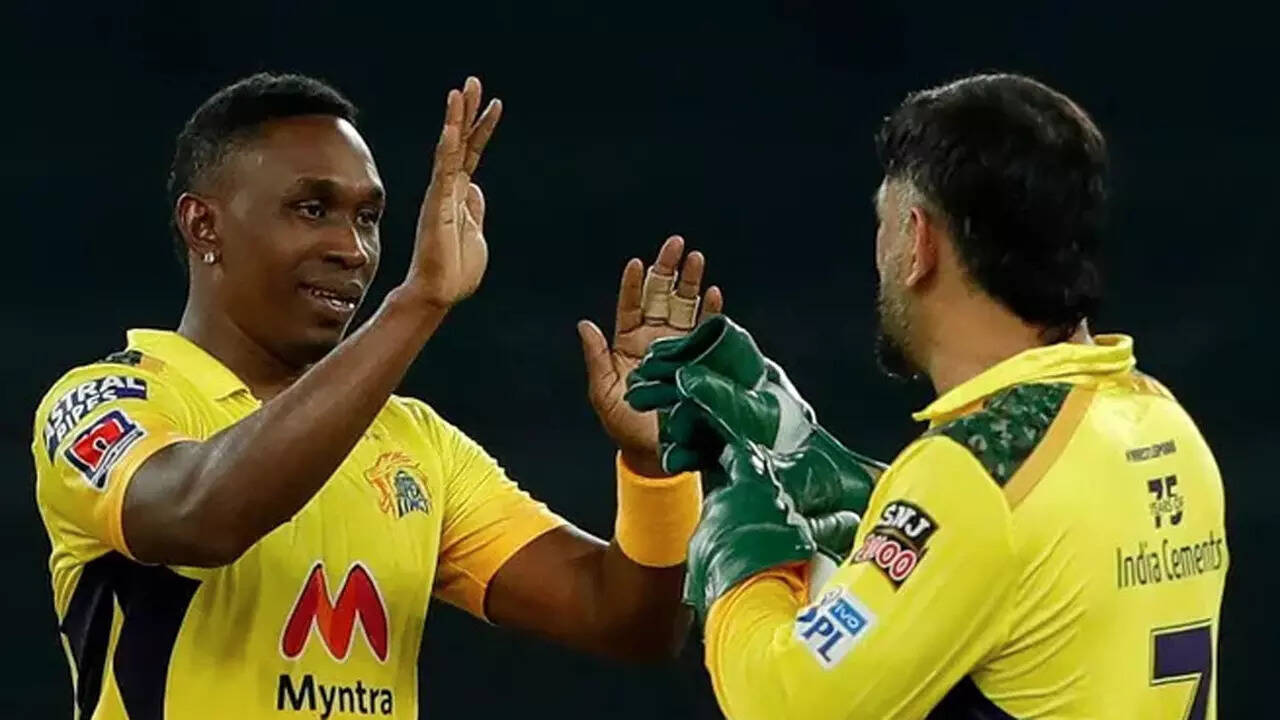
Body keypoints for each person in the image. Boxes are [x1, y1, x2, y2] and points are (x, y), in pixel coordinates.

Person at [31, 72, 723, 719]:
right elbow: (200, 519)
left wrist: (653, 465)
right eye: (312, 209)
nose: (354, 249)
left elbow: (629, 623)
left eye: (367, 217)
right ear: (202, 225)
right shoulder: (106, 402)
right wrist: (419, 300)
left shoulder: (415, 444)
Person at [627, 74, 1228, 719]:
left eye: (883, 225)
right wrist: (851, 481)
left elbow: (787, 704)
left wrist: (739, 543)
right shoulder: (1157, 418)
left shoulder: (971, 479)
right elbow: (1011, 558)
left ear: (918, 242)